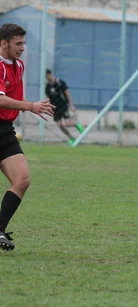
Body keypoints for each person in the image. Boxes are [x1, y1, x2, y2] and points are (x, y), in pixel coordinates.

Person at [0, 23, 55, 251]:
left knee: (22, 180)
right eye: (18, 43)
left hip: (4, 131)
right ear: (4, 44)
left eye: (24, 43)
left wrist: (28, 107)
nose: (23, 48)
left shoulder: (19, 65)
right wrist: (30, 106)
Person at [45, 69, 83, 144]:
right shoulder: (47, 87)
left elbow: (67, 93)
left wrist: (71, 105)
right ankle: (72, 139)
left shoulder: (59, 82)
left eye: (47, 76)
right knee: (60, 125)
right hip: (55, 108)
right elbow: (47, 98)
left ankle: (75, 123)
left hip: (63, 105)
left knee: (64, 123)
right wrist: (48, 107)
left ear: (50, 74)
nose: (47, 78)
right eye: (46, 77)